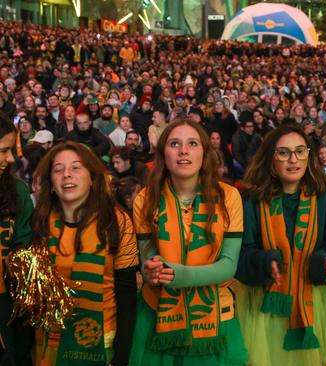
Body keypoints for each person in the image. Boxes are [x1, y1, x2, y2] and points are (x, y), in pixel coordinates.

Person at [130, 118, 247, 365]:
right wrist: (151, 271)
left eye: (192, 143)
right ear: (163, 153)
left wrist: (178, 276)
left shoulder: (229, 196)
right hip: (157, 315)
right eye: (175, 144)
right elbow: (147, 257)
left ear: (204, 152)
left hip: (216, 318)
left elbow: (228, 266)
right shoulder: (144, 199)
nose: (183, 151)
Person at [235, 124, 326, 366]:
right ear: (270, 159)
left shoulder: (323, 197)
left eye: (300, 151)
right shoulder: (251, 199)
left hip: (311, 300)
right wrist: (264, 261)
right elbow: (243, 252)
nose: (294, 160)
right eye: (284, 153)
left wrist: (322, 260)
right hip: (266, 303)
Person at [31, 141, 138, 366]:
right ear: (50, 183)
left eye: (76, 167)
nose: (67, 175)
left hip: (102, 343)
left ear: (93, 177)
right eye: (58, 169)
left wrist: (122, 355)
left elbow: (126, 290)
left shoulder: (116, 221)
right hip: (50, 344)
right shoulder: (39, 223)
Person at [0, 117, 34, 365]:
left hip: (6, 306)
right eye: (3, 151)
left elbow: (23, 245)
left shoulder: (18, 191)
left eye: (11, 151)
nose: (11, 159)